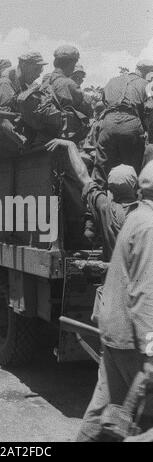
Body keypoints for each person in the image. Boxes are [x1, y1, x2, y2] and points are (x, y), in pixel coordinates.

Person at [76, 160, 153, 442]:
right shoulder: (149, 225)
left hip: (114, 329)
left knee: (104, 412)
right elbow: (147, 293)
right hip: (135, 340)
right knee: (142, 422)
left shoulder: (134, 217)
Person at [47, 139, 138, 261]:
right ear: (135, 186)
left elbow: (83, 175)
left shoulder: (105, 207)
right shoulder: (146, 212)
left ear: (110, 188)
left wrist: (71, 146)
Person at [92, 59, 153, 188]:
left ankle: (97, 201)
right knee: (131, 171)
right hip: (131, 123)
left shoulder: (113, 80)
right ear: (148, 73)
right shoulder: (146, 84)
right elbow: (149, 108)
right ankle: (129, 204)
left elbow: (103, 103)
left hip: (108, 123)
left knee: (101, 169)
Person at [0, 51, 48, 157]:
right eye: (36, 69)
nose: (39, 74)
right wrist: (22, 142)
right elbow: (3, 121)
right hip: (7, 146)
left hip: (16, 143)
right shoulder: (5, 84)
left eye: (40, 70)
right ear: (24, 65)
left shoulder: (22, 86)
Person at [41, 45, 91, 116]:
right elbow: (87, 110)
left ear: (55, 62)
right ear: (72, 64)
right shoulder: (69, 84)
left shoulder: (46, 82)